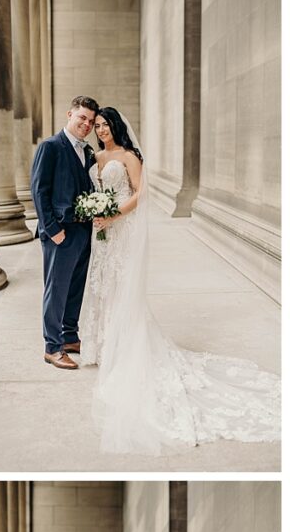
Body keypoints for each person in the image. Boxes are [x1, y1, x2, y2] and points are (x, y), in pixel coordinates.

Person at [79, 107, 280, 455]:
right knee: (104, 287)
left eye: (106, 124)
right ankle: (103, 341)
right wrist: (95, 212)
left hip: (121, 230)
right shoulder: (95, 156)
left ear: (117, 126)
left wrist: (112, 214)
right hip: (103, 236)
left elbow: (141, 194)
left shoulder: (128, 156)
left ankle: (125, 344)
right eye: (97, 125)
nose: (101, 129)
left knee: (123, 287)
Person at [30, 95, 100, 370]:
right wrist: (52, 229)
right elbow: (39, 191)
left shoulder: (89, 152)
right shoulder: (50, 146)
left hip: (83, 231)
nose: (86, 124)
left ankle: (70, 336)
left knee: (75, 288)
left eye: (91, 121)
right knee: (56, 290)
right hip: (59, 232)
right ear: (69, 115)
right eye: (82, 117)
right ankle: (52, 347)